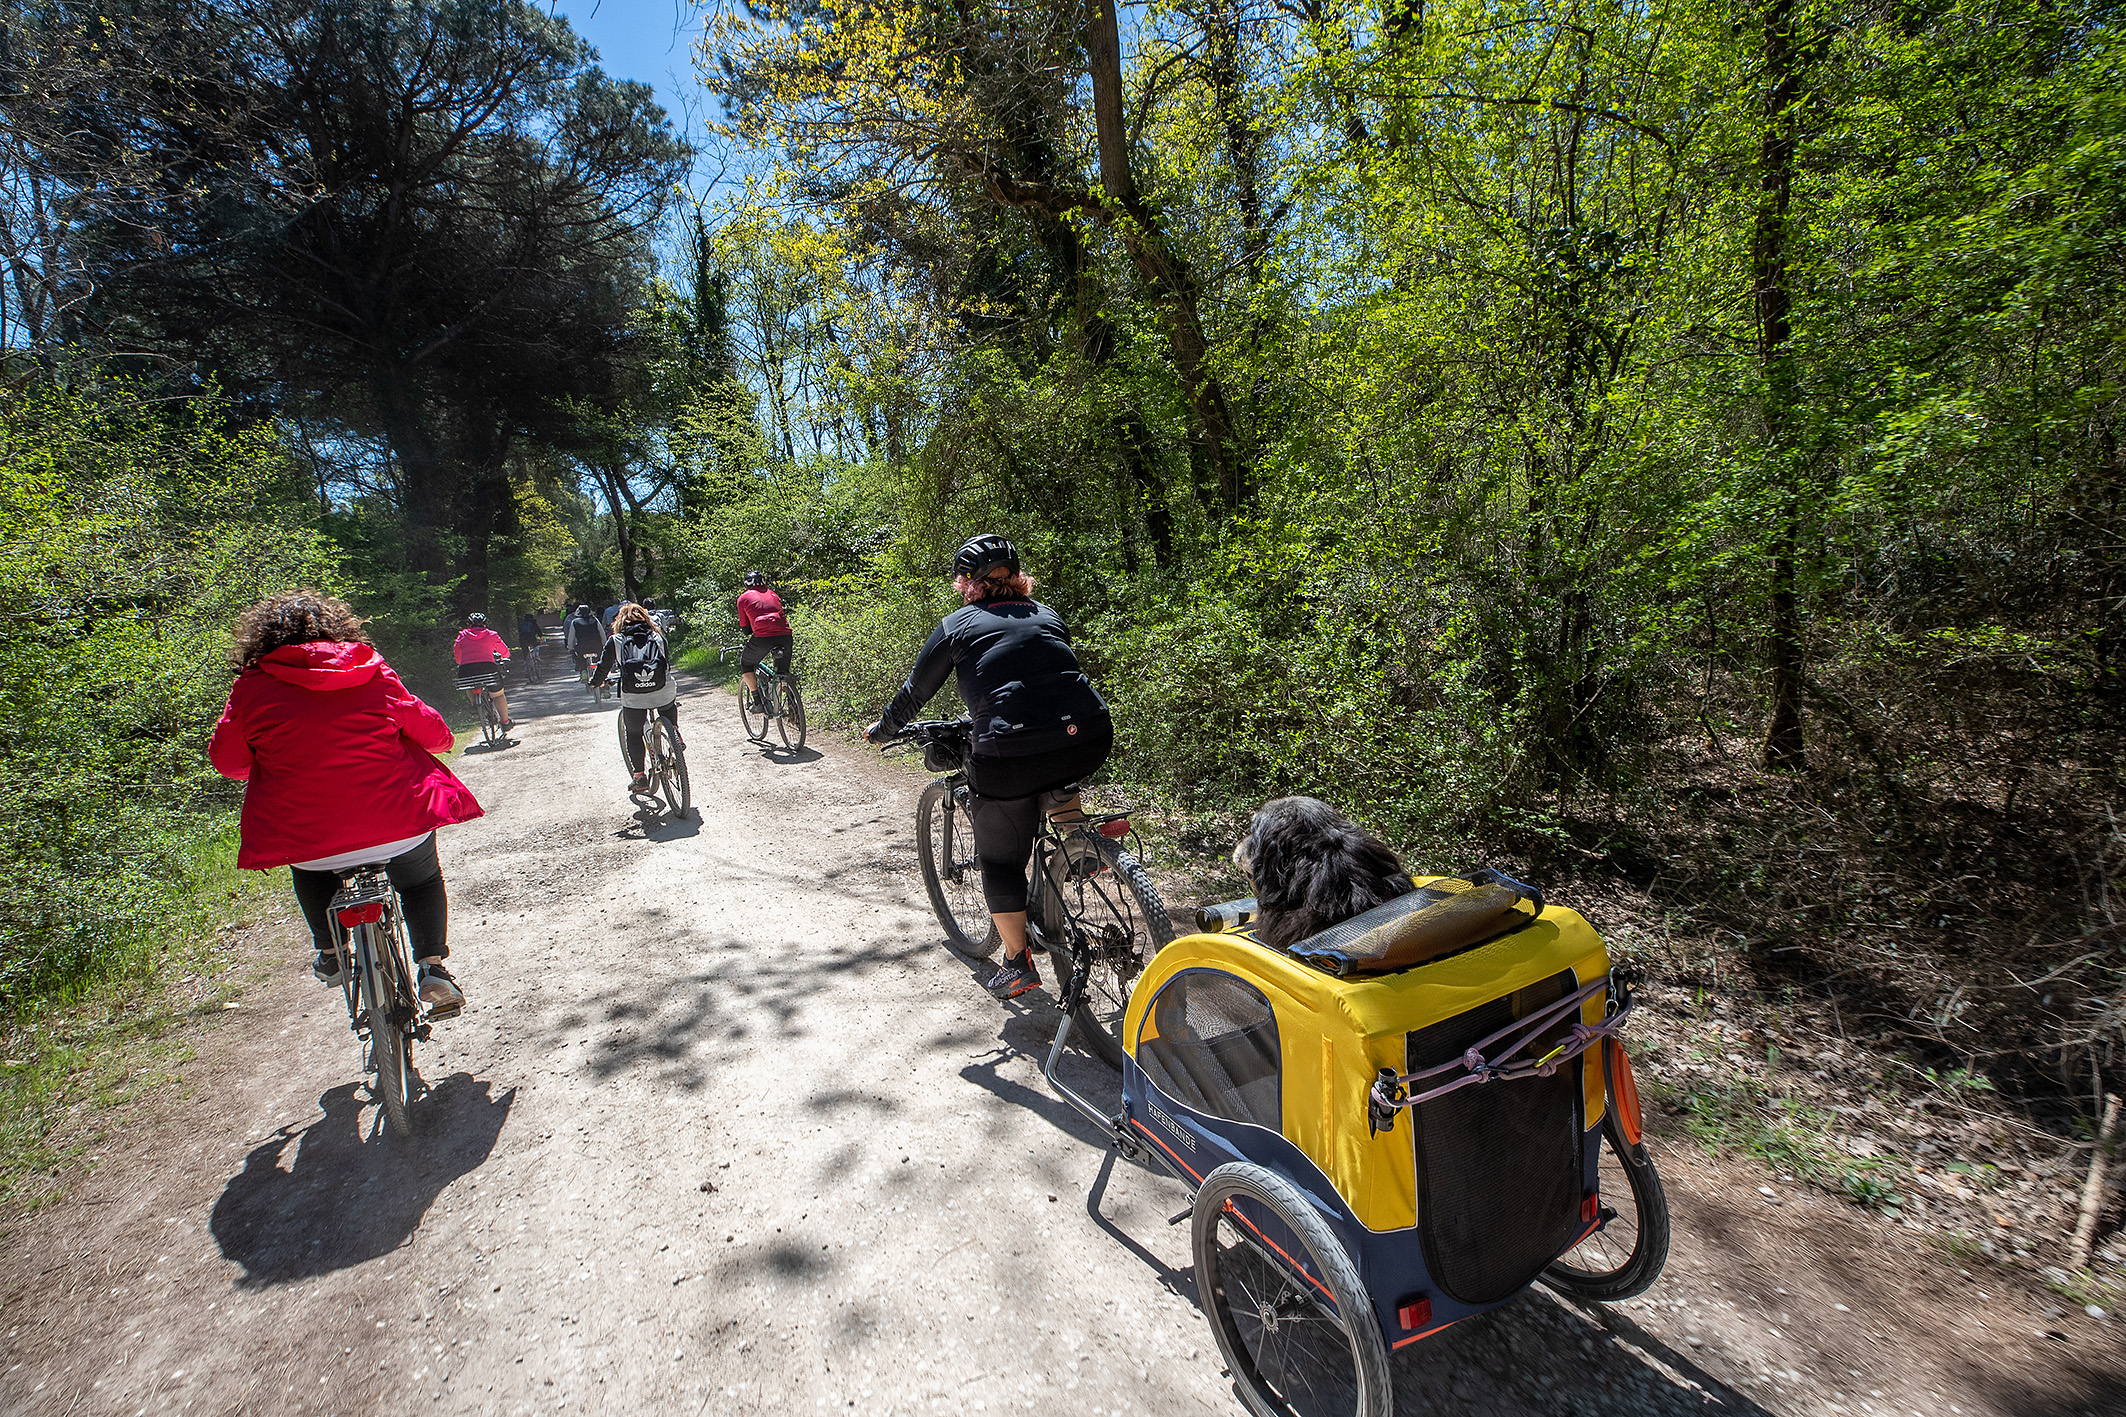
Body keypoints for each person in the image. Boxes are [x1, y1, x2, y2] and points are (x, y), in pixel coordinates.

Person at [208, 589, 482, 1013]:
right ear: (339, 627)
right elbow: (432, 733)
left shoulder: (251, 686)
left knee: (312, 867)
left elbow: (228, 761)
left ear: (262, 637)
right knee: (420, 877)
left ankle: (332, 952)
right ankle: (432, 968)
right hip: (395, 825)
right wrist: (440, 741)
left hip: (308, 832)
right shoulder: (369, 670)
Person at [864, 535, 1112, 999]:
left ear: (968, 582)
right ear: (1016, 578)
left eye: (960, 580)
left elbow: (916, 691)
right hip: (1090, 735)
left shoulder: (957, 625)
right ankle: (1080, 849)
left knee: (999, 859)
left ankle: (1017, 961)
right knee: (1053, 764)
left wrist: (884, 729)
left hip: (1009, 751)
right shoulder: (1046, 613)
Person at [590, 602, 681, 794]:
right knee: (668, 701)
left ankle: (640, 776)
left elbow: (603, 667)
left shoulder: (615, 640)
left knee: (633, 733)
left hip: (634, 696)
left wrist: (595, 682)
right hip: (661, 690)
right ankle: (674, 731)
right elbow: (666, 665)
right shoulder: (658, 636)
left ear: (620, 620)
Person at [735, 570, 793, 712]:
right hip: (785, 636)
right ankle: (793, 708)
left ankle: (758, 702)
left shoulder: (743, 598)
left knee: (746, 664)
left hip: (763, 638)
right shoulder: (773, 594)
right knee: (782, 673)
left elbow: (745, 629)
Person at [452, 612, 513, 730]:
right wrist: (503, 656)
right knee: (498, 695)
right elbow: (505, 652)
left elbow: (457, 656)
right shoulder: (491, 634)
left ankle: (475, 705)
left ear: (469, 624)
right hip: (488, 668)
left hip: (467, 669)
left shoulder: (462, 636)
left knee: (469, 684)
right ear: (485, 624)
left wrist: (462, 662)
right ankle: (505, 722)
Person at [565, 603, 605, 672]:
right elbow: (602, 634)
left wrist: (570, 647)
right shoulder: (595, 620)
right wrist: (604, 644)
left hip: (582, 647)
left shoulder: (574, 622)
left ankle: (583, 671)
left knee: (580, 659)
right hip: (596, 646)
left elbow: (571, 636)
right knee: (598, 661)